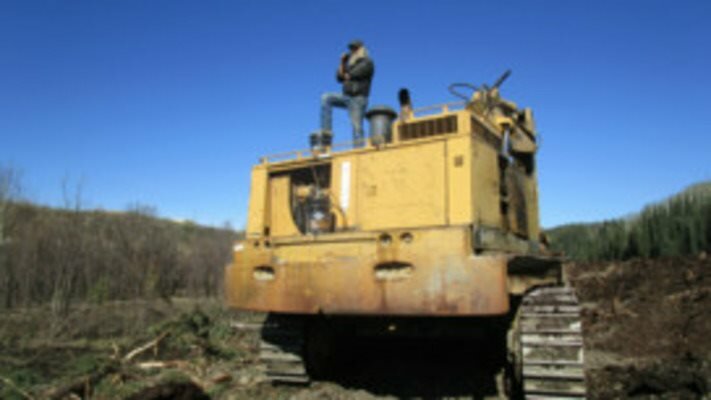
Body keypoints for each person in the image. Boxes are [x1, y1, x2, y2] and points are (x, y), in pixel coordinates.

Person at [320, 39, 375, 147]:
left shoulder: (367, 62)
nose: (352, 51)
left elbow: (350, 75)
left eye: (355, 48)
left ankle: (359, 150)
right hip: (347, 97)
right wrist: (342, 62)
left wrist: (345, 73)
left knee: (357, 127)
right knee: (326, 98)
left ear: (362, 49)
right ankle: (326, 135)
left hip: (359, 99)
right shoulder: (348, 64)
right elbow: (339, 78)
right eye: (351, 49)